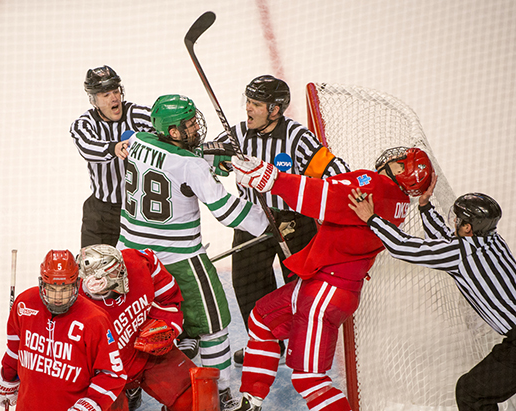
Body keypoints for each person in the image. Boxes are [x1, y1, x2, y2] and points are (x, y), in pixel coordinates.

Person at [223, 146, 434, 411]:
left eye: (400, 162)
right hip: (325, 285)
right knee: (262, 318)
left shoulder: (376, 184)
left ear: (402, 171)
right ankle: (251, 401)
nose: (393, 160)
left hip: (325, 290)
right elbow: (332, 200)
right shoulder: (397, 201)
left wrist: (273, 179)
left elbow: (323, 195)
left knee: (309, 379)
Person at [116, 94, 270, 408]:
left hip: (131, 257)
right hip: (179, 260)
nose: (193, 127)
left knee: (134, 325)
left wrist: (214, 157)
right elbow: (225, 211)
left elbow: (173, 157)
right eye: (187, 124)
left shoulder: (137, 142)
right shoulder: (192, 165)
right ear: (172, 131)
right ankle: (220, 396)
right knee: (214, 327)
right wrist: (265, 223)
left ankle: (129, 386)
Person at [208, 75, 350, 366]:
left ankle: (303, 342)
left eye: (256, 104)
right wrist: (220, 161)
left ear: (274, 109)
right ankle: (264, 345)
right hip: (250, 220)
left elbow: (335, 170)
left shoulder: (296, 137)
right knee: (247, 286)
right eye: (248, 101)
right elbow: (207, 160)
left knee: (302, 286)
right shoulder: (236, 135)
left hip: (294, 223)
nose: (248, 108)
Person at [348, 175, 516, 410]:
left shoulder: (460, 254)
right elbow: (446, 242)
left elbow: (402, 247)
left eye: (458, 220)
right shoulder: (493, 240)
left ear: (467, 227)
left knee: (470, 393)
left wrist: (372, 218)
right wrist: (425, 207)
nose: (454, 222)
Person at [77, 244, 221, 410]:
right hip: (107, 376)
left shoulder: (138, 262)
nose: (123, 270)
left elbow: (169, 297)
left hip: (149, 356)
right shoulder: (80, 312)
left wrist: (167, 325)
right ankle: (129, 391)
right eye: (113, 271)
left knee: (200, 396)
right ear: (97, 282)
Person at [0, 249, 127, 411]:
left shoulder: (95, 320)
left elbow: (112, 375)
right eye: (52, 289)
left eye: (64, 289)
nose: (57, 297)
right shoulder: (25, 304)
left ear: (76, 284)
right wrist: (7, 376)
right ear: (42, 284)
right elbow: (15, 347)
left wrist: (90, 404)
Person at [70, 65, 155, 248]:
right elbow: (86, 146)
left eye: (115, 91)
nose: (114, 97)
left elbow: (163, 124)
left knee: (136, 269)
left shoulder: (136, 114)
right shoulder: (85, 123)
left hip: (137, 211)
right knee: (94, 267)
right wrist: (113, 148)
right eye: (106, 95)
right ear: (93, 100)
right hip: (101, 213)